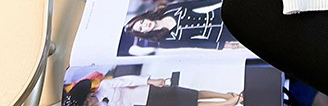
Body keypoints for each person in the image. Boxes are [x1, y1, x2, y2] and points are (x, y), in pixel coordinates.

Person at [123, 0, 242, 51]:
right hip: (219, 34)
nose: (144, 25)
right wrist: (226, 46)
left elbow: (198, 4)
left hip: (220, 14)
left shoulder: (168, 10)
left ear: (144, 17)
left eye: (141, 22)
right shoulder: (164, 42)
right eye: (141, 28)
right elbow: (195, 43)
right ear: (143, 33)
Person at [68, 76, 243, 106]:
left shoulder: (105, 86)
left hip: (149, 93)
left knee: (190, 94)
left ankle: (225, 96)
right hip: (149, 105)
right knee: (189, 105)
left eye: (86, 101)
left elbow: (128, 80)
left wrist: (149, 81)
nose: (89, 104)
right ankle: (229, 103)